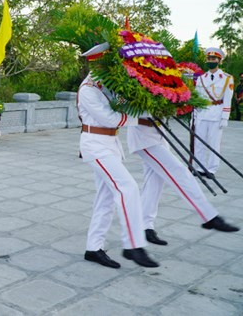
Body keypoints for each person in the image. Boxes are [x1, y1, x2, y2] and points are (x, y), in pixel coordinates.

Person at [78, 73, 158, 268]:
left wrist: (148, 107)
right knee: (127, 188)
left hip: (110, 145)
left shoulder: (108, 84)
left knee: (105, 198)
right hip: (95, 145)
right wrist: (139, 119)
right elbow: (109, 118)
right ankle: (133, 245)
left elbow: (122, 104)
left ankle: (93, 248)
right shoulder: (89, 89)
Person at [128, 117, 239, 246]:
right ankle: (209, 216)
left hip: (158, 133)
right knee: (180, 173)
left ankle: (144, 226)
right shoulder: (121, 96)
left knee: (153, 182)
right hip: (143, 137)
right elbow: (122, 105)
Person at [193, 47, 233, 178]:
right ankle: (199, 167)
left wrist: (225, 118)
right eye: (209, 58)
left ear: (219, 60)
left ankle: (211, 169)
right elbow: (197, 98)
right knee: (199, 142)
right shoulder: (201, 78)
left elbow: (227, 99)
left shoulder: (227, 78)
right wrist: (194, 115)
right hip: (202, 114)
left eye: (214, 59)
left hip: (216, 114)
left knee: (213, 144)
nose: (211, 61)